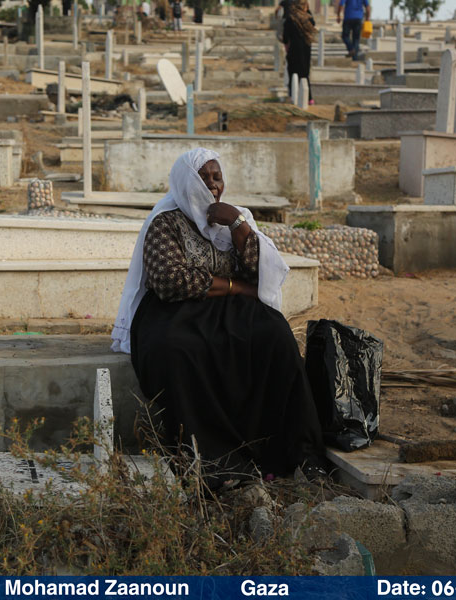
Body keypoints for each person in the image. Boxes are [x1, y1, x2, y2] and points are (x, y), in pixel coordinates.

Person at [112, 148, 327, 488]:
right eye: (204, 177)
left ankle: (295, 452)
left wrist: (237, 223)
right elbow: (170, 281)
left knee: (275, 336)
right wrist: (235, 287)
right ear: (186, 182)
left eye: (217, 177)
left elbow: (260, 270)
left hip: (227, 309)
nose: (212, 185)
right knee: (177, 349)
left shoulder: (234, 219)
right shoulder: (164, 222)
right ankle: (214, 460)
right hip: (174, 312)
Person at [283, 0, 315, 105]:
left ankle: (293, 95)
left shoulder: (291, 18)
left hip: (294, 49)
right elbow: (313, 25)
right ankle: (309, 98)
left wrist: (286, 45)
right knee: (305, 72)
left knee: (293, 72)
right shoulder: (308, 18)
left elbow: (285, 37)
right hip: (306, 48)